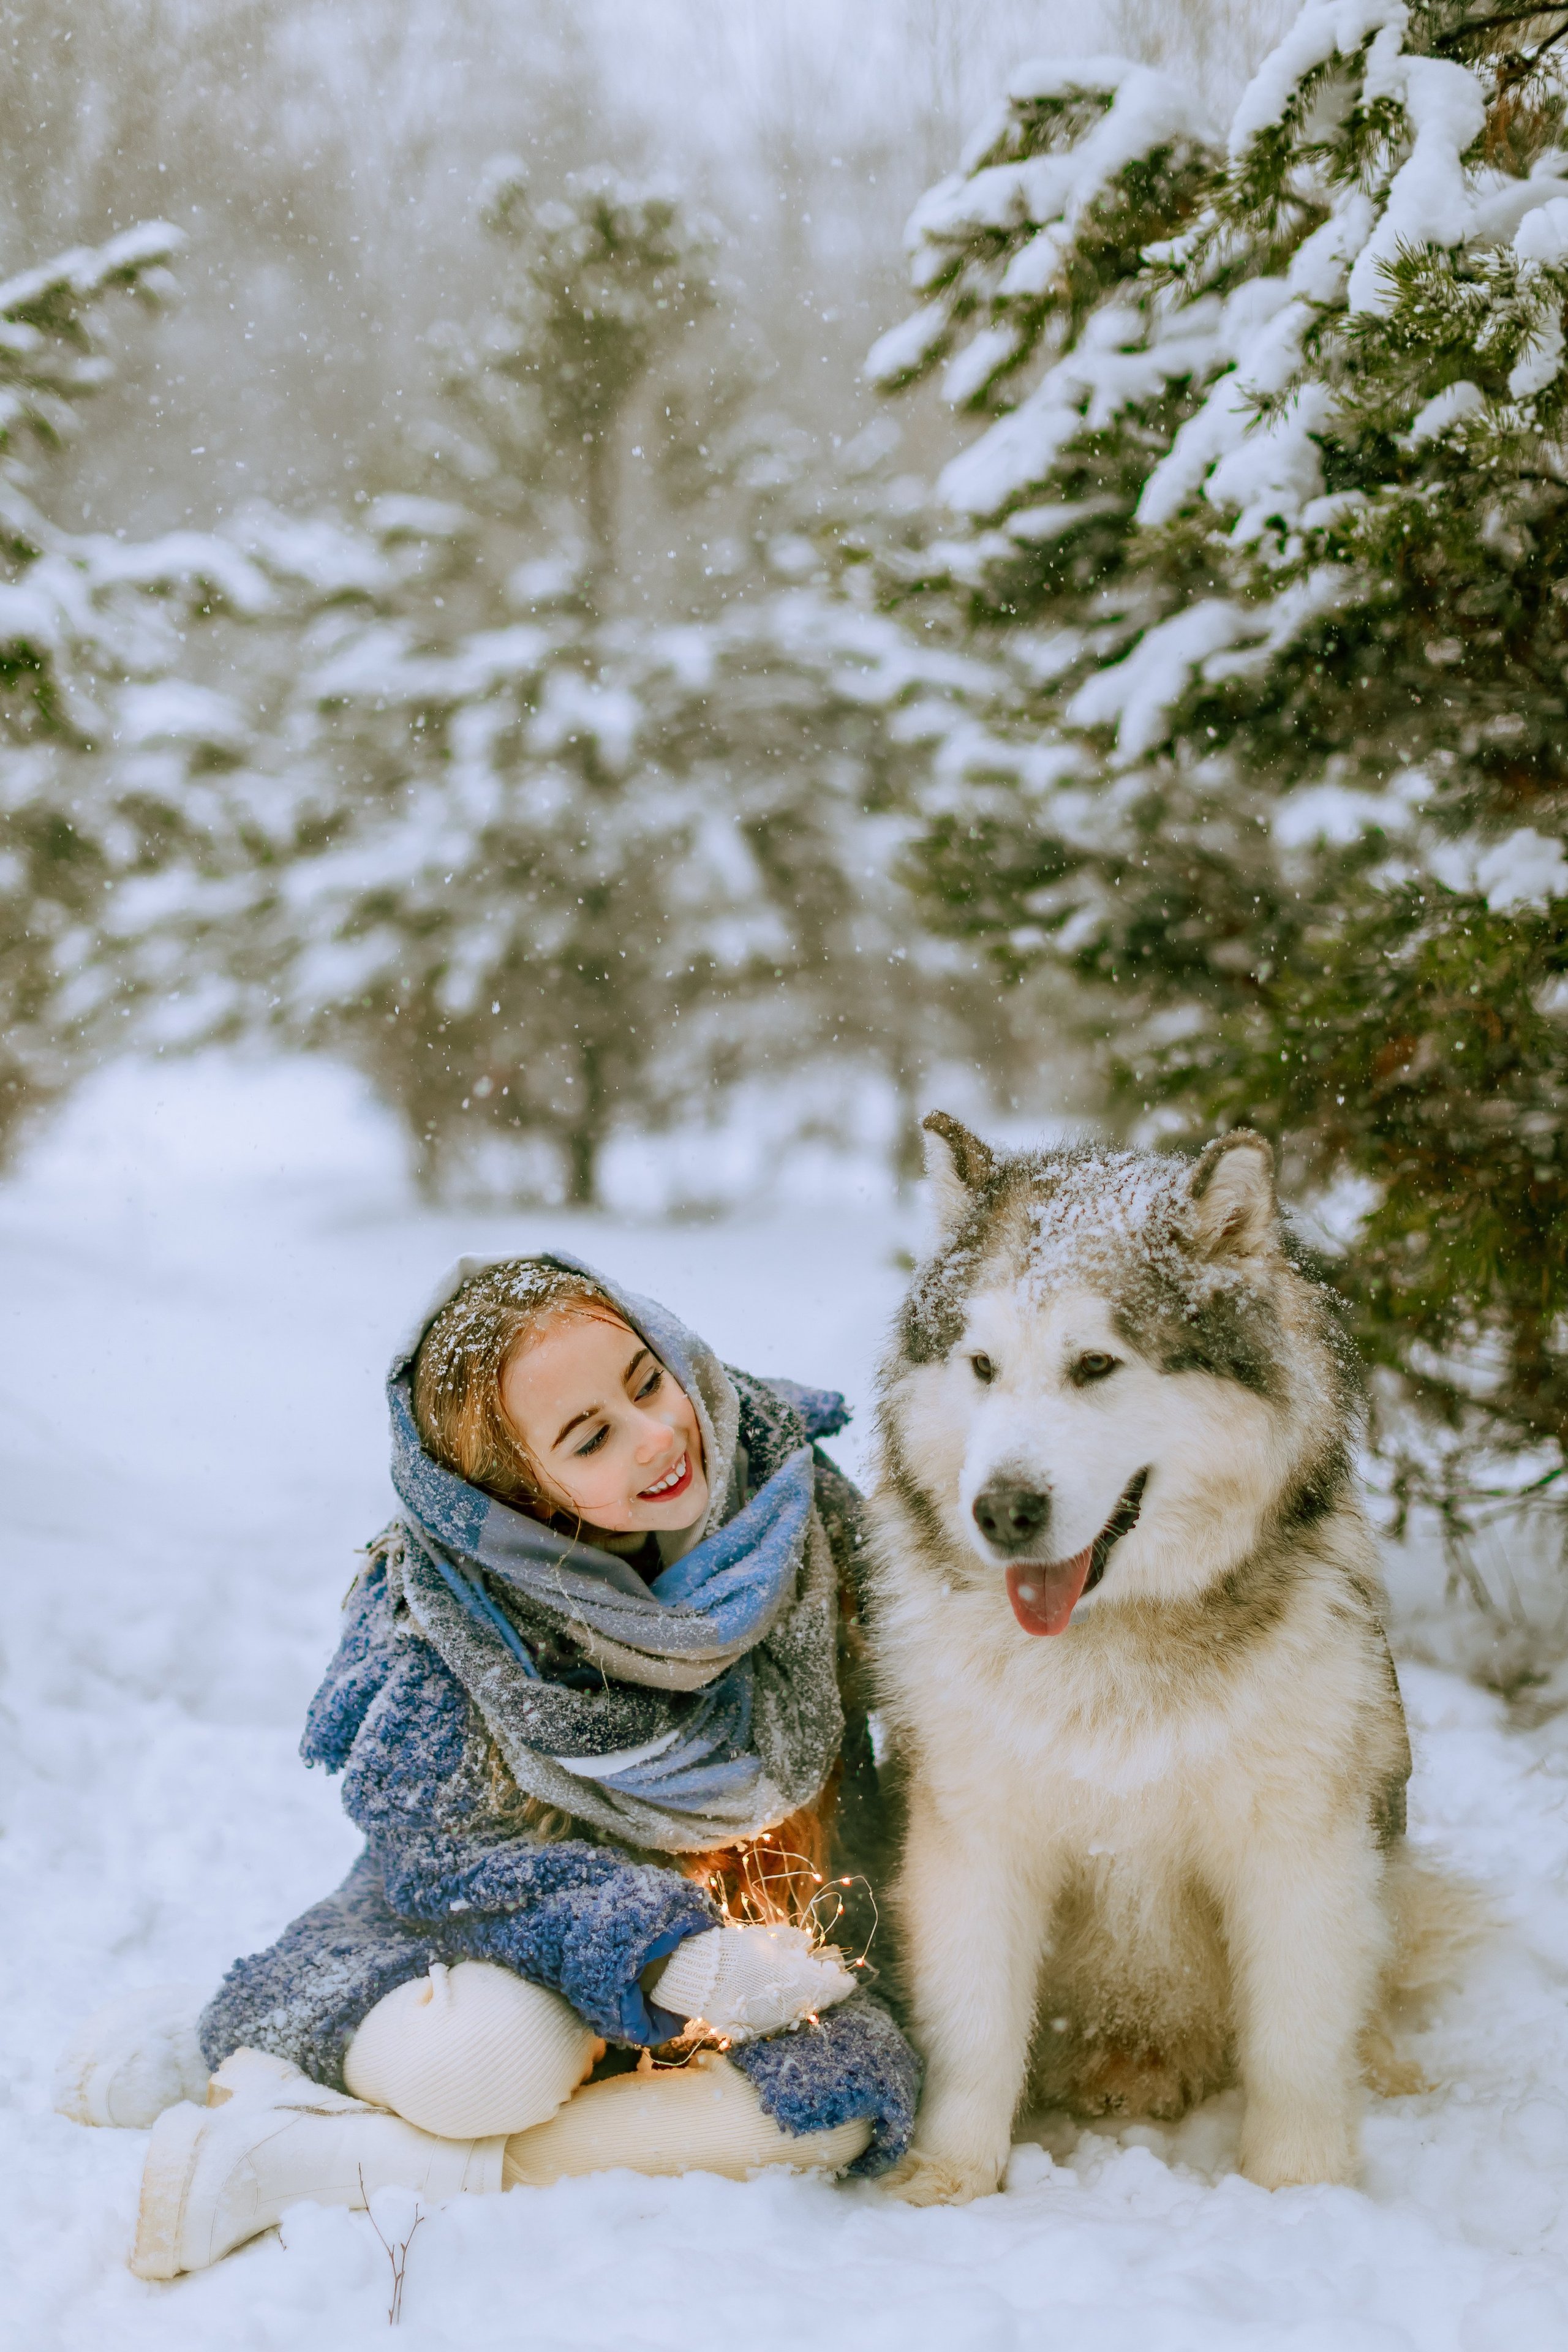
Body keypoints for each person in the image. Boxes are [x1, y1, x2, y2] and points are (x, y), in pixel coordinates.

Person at [60, 1254, 918, 2277]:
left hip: (766, 1940)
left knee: (842, 2101)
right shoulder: (443, 1615)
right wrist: (666, 1958)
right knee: (490, 2069)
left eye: (646, 1379)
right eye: (590, 1438)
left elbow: (940, 1681)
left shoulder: (793, 1500)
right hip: (495, 1937)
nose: (657, 1436)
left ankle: (318, 2153)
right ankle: (260, 2042)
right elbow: (454, 1866)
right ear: (526, 1498)